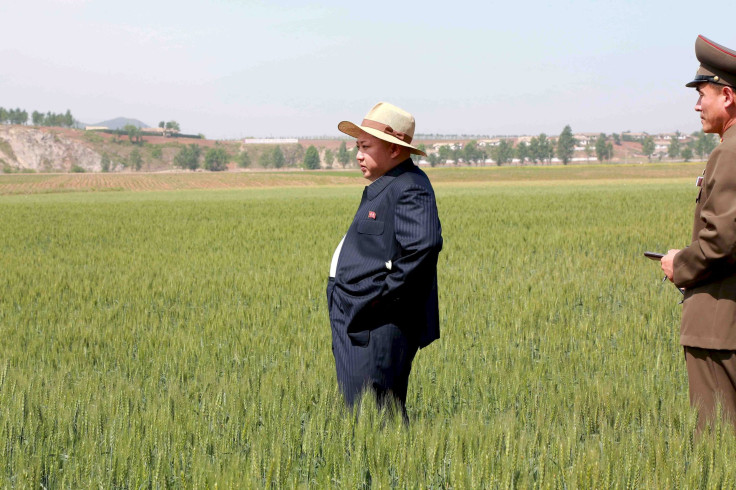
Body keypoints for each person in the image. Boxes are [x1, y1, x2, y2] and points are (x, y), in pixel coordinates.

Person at [326, 102, 443, 419]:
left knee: (376, 414)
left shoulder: (409, 187)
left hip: (378, 322)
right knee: (360, 409)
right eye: (357, 146)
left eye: (365, 146)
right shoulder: (387, 186)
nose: (358, 155)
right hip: (360, 317)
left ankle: (390, 468)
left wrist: (378, 302)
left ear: (393, 149)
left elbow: (424, 247)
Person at [661, 35, 736, 431]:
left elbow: (721, 242)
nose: (696, 104)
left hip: (720, 332)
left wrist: (678, 265)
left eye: (701, 93)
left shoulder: (730, 152)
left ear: (727, 96)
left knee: (718, 448)